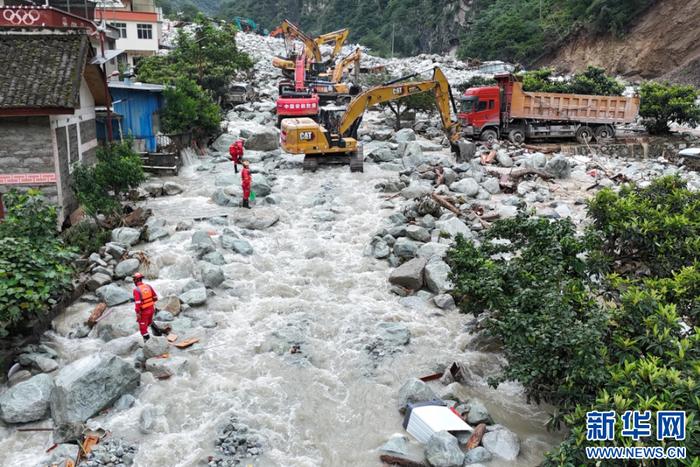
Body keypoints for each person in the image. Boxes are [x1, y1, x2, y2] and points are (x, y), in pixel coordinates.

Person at [132, 272, 161, 341]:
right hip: (152, 309)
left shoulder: (136, 290)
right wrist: (150, 303)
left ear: (135, 280)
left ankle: (148, 344)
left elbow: (138, 303)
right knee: (150, 321)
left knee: (143, 329)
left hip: (144, 312)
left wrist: (138, 313)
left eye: (134, 279)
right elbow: (155, 297)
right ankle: (159, 334)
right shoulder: (148, 286)